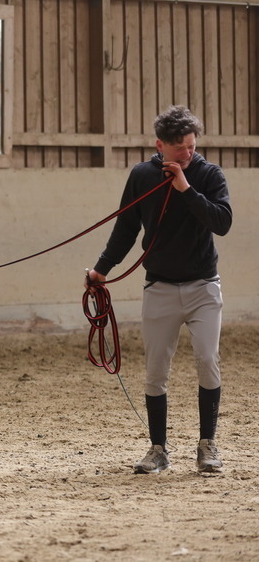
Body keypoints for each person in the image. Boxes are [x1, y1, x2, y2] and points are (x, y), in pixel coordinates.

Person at [86, 106, 232, 474]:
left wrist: (185, 188)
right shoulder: (142, 176)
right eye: (180, 147)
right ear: (160, 146)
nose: (188, 153)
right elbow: (125, 229)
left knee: (207, 360)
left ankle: (207, 444)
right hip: (160, 288)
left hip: (203, 287)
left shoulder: (208, 174)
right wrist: (102, 270)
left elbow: (222, 221)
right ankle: (158, 448)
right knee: (155, 371)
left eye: (192, 146)